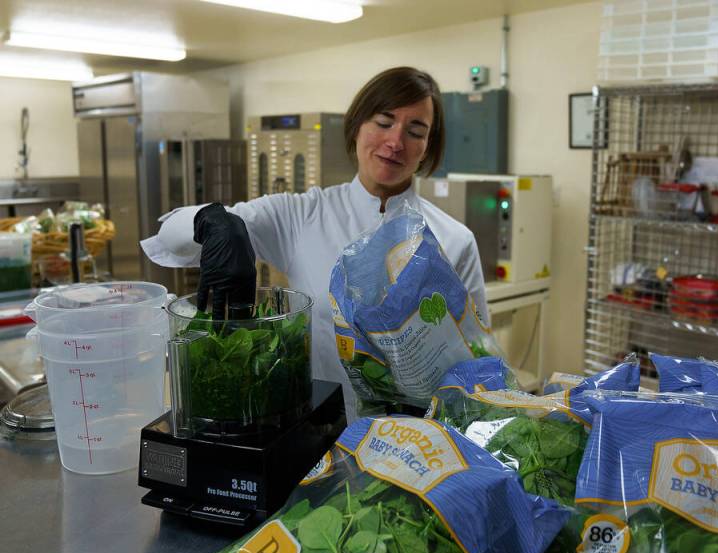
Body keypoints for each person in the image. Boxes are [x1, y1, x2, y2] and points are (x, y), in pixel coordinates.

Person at [141, 66, 489, 415]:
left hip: (424, 443)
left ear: (427, 149)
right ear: (356, 127)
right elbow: (169, 236)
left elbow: (478, 357)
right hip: (323, 436)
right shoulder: (301, 215)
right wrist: (212, 220)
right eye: (384, 123)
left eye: (415, 131)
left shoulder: (454, 239)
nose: (395, 142)